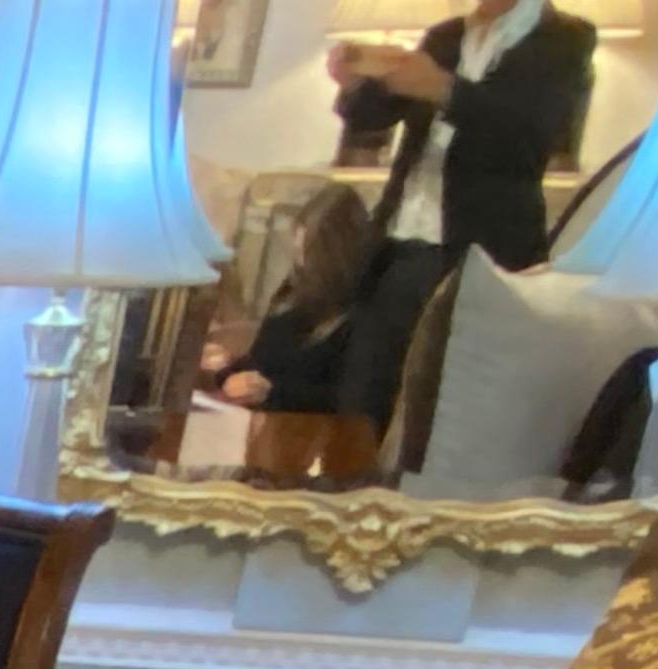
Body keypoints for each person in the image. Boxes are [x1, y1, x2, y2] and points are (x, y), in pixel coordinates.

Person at [323, 1, 596, 423]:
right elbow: (373, 116)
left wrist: (445, 89)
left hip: (480, 250)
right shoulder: (446, 35)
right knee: (364, 391)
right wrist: (354, 82)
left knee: (445, 403)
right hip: (399, 244)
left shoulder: (565, 39)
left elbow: (533, 134)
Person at [205, 185, 380, 418]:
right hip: (256, 418)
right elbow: (263, 359)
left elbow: (342, 398)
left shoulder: (365, 314)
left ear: (336, 255)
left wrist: (272, 392)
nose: (301, 263)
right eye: (298, 252)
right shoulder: (294, 291)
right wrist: (225, 369)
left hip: (306, 428)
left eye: (309, 254)